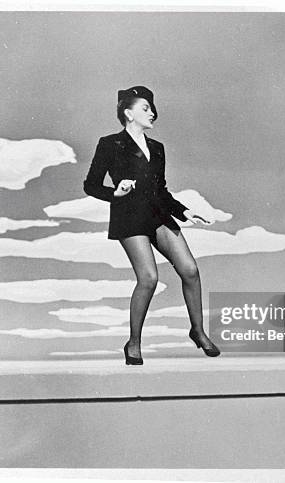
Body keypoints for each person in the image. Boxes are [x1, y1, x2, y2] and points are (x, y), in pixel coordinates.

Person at [83, 86, 220, 365]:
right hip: (129, 216)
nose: (152, 113)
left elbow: (162, 191)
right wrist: (115, 193)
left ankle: (197, 331)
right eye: (145, 108)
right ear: (128, 113)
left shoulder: (157, 148)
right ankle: (133, 342)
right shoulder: (110, 143)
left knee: (190, 270)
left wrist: (186, 211)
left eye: (152, 108)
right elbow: (90, 185)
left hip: (157, 214)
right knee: (149, 278)